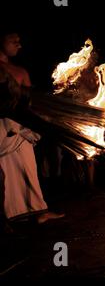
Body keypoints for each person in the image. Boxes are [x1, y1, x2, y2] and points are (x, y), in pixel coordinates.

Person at [0, 31, 65, 225]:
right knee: (4, 172)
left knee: (27, 167)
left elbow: (28, 103)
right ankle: (6, 216)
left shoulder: (20, 71)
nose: (19, 45)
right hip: (3, 127)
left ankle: (37, 211)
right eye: (14, 41)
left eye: (19, 42)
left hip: (19, 126)